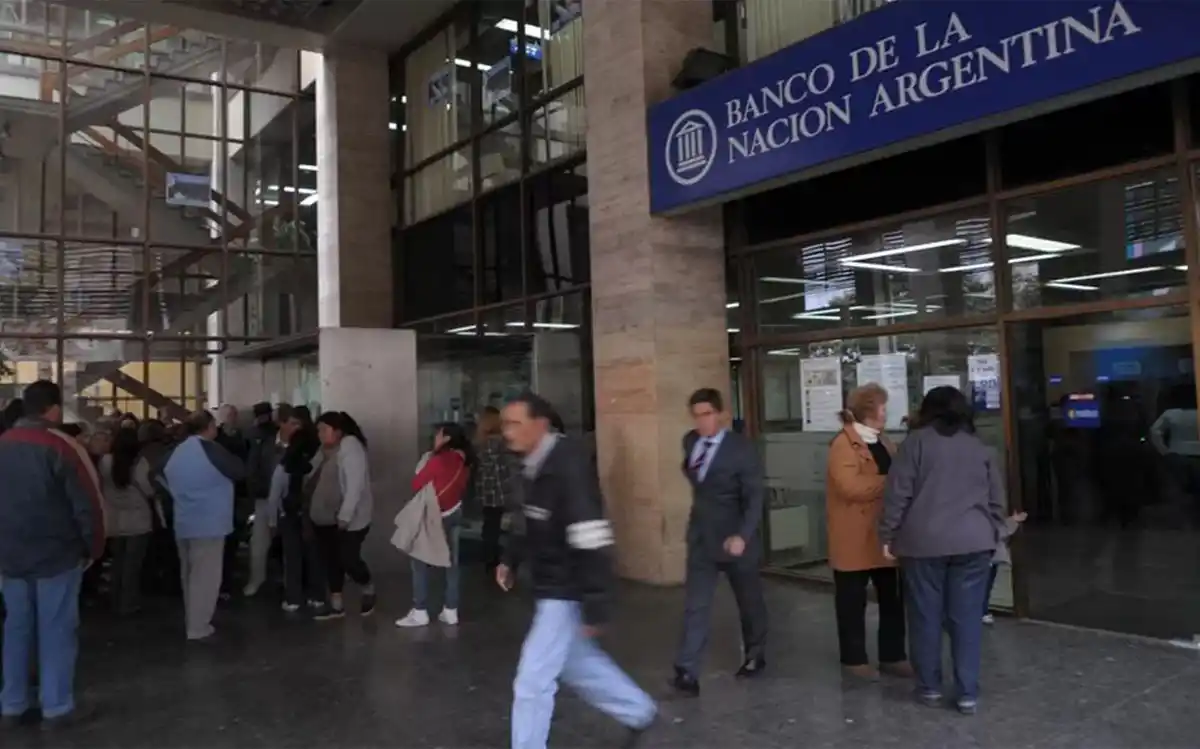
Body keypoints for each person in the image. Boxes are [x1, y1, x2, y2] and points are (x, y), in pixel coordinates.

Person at [498, 392, 656, 749]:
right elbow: (528, 520)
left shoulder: (568, 466)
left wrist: (597, 603)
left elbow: (591, 535)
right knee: (577, 665)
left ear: (540, 424)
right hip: (549, 584)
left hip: (565, 589)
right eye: (505, 424)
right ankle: (638, 710)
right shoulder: (530, 464)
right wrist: (510, 558)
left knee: (532, 680)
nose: (507, 432)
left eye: (514, 423)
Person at [879, 386, 1006, 715]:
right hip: (974, 544)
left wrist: (888, 535)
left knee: (925, 617)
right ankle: (967, 694)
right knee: (966, 619)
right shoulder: (980, 448)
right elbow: (997, 501)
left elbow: (898, 496)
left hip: (923, 544)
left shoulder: (915, 444)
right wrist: (993, 532)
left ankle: (930, 687)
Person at [0, 380, 104, 729]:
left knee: (16, 628)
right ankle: (56, 705)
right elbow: (87, 504)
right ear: (55, 409)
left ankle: (12, 703)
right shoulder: (61, 446)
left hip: (9, 556)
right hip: (55, 555)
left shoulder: (3, 444)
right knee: (56, 628)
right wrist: (94, 547)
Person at [672, 388, 767, 696]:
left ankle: (755, 654)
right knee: (696, 605)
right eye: (696, 415)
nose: (702, 422)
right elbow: (694, 476)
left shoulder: (742, 449)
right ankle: (687, 670)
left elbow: (754, 497)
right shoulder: (690, 441)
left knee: (748, 602)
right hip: (702, 537)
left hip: (736, 539)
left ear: (721, 414)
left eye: (707, 415)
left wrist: (742, 534)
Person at [826, 384, 911, 680]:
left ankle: (893, 655)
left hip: (882, 534)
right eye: (883, 408)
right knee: (851, 602)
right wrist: (890, 482)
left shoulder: (884, 441)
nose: (886, 413)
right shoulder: (843, 444)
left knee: (892, 598)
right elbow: (850, 487)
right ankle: (854, 659)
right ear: (869, 410)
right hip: (852, 537)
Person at [161, 410, 246, 641]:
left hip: (184, 520)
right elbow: (238, 470)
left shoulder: (177, 451)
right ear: (208, 427)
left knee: (188, 575)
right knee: (206, 577)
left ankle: (192, 619)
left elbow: (157, 472)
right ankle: (198, 626)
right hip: (210, 522)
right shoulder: (210, 449)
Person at [396, 422, 472, 628]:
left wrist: (427, 459)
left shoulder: (438, 460)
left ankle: (420, 611)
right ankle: (451, 610)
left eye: (438, 434)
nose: (435, 438)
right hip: (455, 511)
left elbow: (416, 483)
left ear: (446, 438)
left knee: (419, 560)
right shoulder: (464, 460)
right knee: (452, 563)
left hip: (434, 515)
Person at [309, 411, 376, 620]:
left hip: (352, 517)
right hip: (327, 514)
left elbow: (354, 486)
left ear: (337, 431)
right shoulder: (324, 450)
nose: (319, 434)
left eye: (323, 430)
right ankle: (336, 604)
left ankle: (367, 587)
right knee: (331, 557)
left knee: (348, 557)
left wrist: (346, 516)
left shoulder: (351, 447)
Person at [268, 407, 323, 612]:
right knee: (314, 556)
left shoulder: (285, 465)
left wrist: (272, 522)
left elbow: (275, 494)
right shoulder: (317, 463)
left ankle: (293, 598)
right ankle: (316, 596)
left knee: (292, 558)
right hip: (313, 514)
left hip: (289, 514)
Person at [100, 429, 153, 616]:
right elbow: (148, 490)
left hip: (114, 519)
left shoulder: (105, 462)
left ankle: (114, 600)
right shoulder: (140, 464)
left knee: (118, 562)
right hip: (138, 520)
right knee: (132, 565)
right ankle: (128, 603)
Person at [243, 402, 286, 597]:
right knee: (265, 542)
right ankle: (266, 578)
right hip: (271, 496)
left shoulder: (256, 437)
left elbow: (253, 467)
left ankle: (259, 578)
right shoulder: (265, 439)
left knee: (261, 542)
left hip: (268, 496)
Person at [475, 406, 516, 574]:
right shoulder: (499, 442)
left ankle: (489, 558)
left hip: (486, 491)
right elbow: (505, 468)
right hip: (499, 491)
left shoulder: (480, 443)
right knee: (503, 527)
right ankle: (501, 560)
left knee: (490, 526)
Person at [982, 509, 1026, 625]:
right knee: (984, 586)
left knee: (985, 586)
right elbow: (998, 532)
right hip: (986, 556)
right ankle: (982, 611)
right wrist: (1012, 521)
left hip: (988, 556)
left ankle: (982, 611)